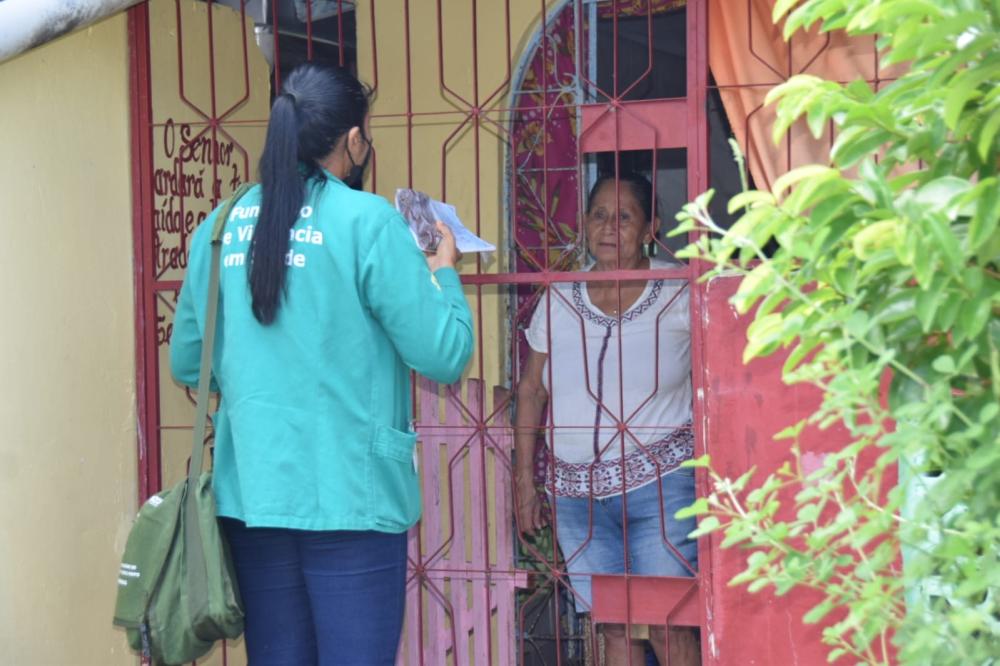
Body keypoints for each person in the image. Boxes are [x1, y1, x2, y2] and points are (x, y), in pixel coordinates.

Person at [170, 63, 474, 666]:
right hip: (351, 497)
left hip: (253, 495)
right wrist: (443, 269)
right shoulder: (367, 221)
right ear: (354, 140)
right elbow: (444, 353)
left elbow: (187, 360)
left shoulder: (224, 224)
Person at [514, 173, 700, 665]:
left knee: (667, 625)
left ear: (650, 228)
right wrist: (524, 482)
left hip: (659, 487)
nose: (609, 227)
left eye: (624, 216)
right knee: (615, 629)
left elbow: (714, 379)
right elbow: (532, 389)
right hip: (576, 496)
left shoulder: (677, 291)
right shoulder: (560, 296)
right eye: (599, 214)